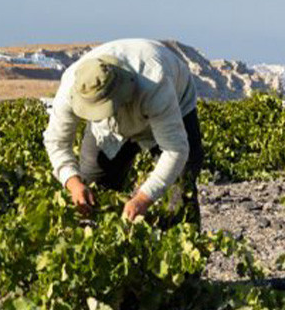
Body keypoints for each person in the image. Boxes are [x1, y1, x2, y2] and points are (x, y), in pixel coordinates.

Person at [43, 39, 204, 226]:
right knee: (92, 195)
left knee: (179, 192)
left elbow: (175, 150)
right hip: (107, 131)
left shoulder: (155, 83)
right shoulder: (71, 87)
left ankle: (183, 248)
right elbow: (56, 141)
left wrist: (143, 198)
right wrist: (73, 182)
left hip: (176, 104)